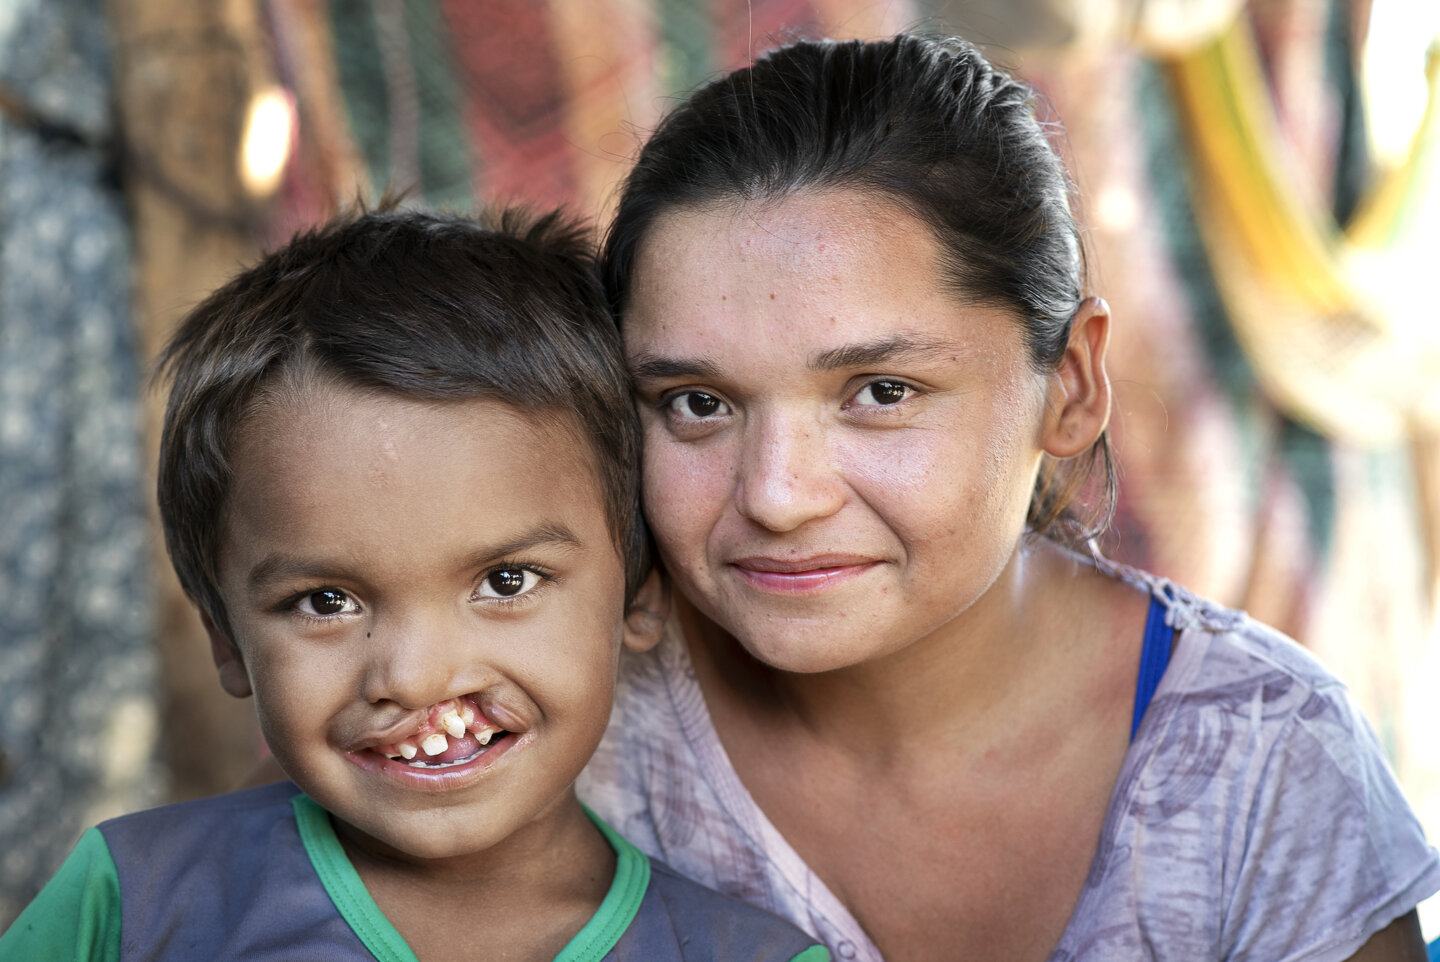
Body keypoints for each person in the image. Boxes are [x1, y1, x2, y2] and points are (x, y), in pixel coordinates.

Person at [576, 33, 1440, 961]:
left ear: (1069, 385)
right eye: (696, 405)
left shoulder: (1266, 766)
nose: (778, 496)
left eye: (882, 391)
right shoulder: (567, 716)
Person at [0, 206, 830, 962]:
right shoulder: (135, 903)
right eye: (326, 602)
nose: (416, 675)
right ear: (225, 635)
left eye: (506, 580)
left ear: (640, 594)